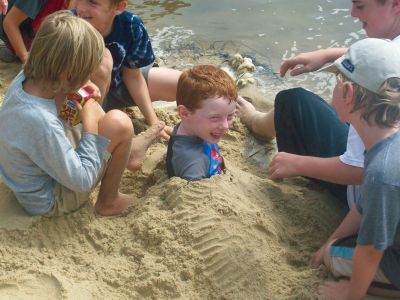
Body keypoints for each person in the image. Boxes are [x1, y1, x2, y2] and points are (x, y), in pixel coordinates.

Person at [237, 0, 400, 208]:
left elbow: (365, 170)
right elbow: (379, 55)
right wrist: (329, 55)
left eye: (360, 6)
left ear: (396, 5)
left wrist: (297, 164)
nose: (352, 13)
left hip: (365, 197)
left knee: (294, 102)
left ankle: (256, 123)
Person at [0, 11, 162, 217]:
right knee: (119, 123)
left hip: (35, 168)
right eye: (85, 73)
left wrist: (84, 85)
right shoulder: (42, 122)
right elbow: (82, 179)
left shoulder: (30, 75)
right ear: (67, 75)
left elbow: (65, 87)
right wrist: (90, 125)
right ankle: (109, 201)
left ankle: (123, 151)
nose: (89, 78)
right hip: (51, 199)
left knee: (104, 58)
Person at [309, 38, 400, 300]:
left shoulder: (382, 171)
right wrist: (332, 238)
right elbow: (365, 205)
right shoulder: (386, 143)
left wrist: (351, 293)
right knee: (335, 246)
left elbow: (370, 250)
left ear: (348, 94)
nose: (333, 90)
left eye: (336, 82)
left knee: (333, 256)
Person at [74, 0, 181, 140]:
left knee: (184, 84)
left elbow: (133, 76)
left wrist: (153, 122)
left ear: (119, 7)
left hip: (119, 87)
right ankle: (95, 128)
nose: (80, 7)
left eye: (93, 2)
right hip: (82, 100)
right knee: (103, 60)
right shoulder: (68, 27)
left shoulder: (131, 25)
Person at [166, 65, 237, 181]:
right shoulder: (193, 164)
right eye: (214, 117)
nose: (225, 126)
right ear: (184, 113)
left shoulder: (195, 128)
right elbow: (196, 196)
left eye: (230, 116)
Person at [0, 0, 76, 63]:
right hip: (12, 29)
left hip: (34, 27)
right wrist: (26, 59)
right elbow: (9, 23)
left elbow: (68, 23)